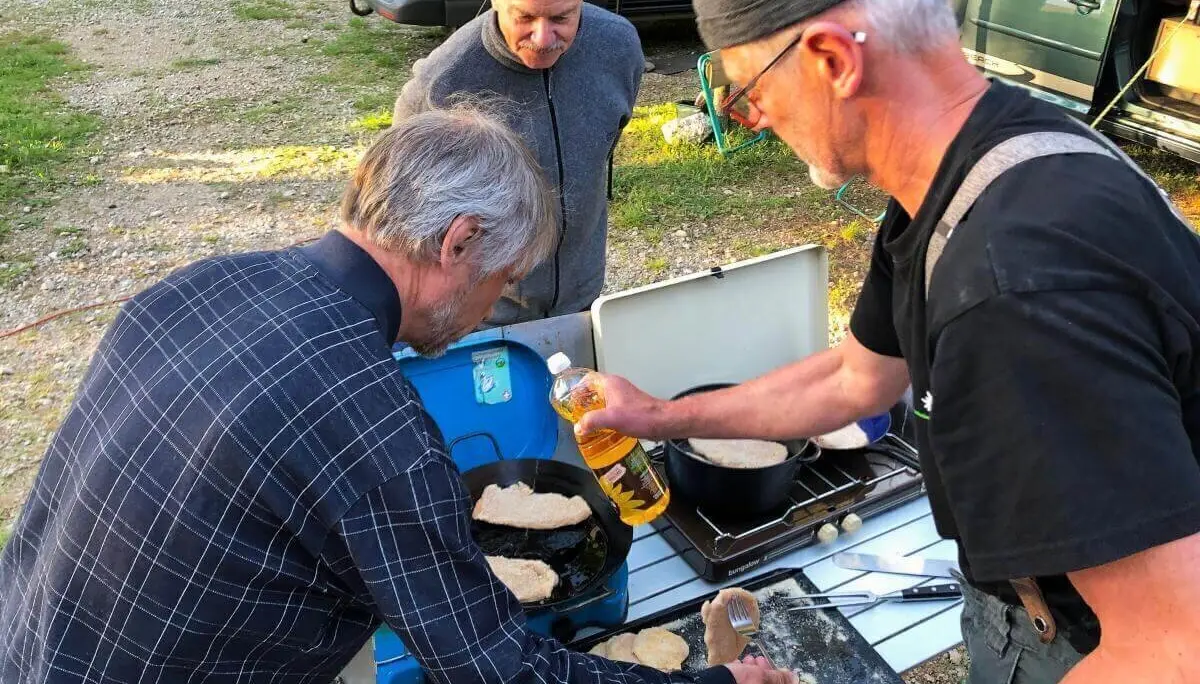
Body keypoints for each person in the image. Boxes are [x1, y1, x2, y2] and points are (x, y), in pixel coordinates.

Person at [0, 106, 792, 684]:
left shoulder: (199, 285)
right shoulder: (377, 430)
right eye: (504, 283)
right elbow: (497, 670)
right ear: (460, 242)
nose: (499, 309)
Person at [575, 0, 1200, 682]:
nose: (752, 117)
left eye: (748, 92)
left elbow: (1170, 649)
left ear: (832, 60)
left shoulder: (1010, 288)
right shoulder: (985, 160)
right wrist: (663, 418)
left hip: (1091, 641)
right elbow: (855, 379)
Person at [392, 0, 644, 326]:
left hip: (583, 298)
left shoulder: (619, 46)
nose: (542, 38)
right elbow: (401, 213)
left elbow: (604, 146)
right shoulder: (441, 83)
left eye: (560, 18)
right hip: (485, 314)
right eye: (525, 17)